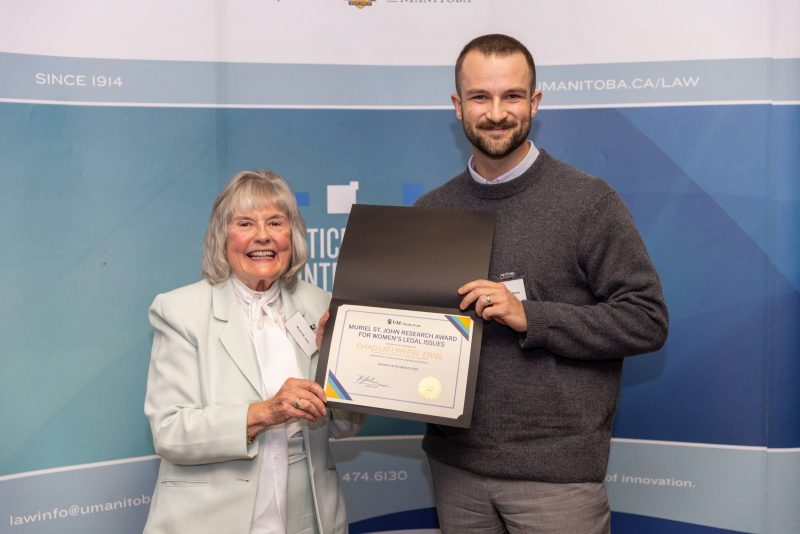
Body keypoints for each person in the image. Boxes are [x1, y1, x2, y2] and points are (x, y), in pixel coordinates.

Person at [414, 34, 669, 533]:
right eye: (479, 97)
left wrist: (533, 315)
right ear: (457, 106)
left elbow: (646, 320)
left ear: (534, 102)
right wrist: (354, 330)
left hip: (557, 480)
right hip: (455, 470)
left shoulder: (588, 201)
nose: (495, 113)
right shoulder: (431, 211)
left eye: (511, 96)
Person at [143, 170, 364, 534]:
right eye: (245, 223)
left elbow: (344, 425)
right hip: (209, 520)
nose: (262, 235)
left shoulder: (319, 304)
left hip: (307, 519)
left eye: (275, 222)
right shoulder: (180, 311)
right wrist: (265, 412)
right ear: (222, 237)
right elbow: (170, 431)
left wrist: (342, 368)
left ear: (291, 236)